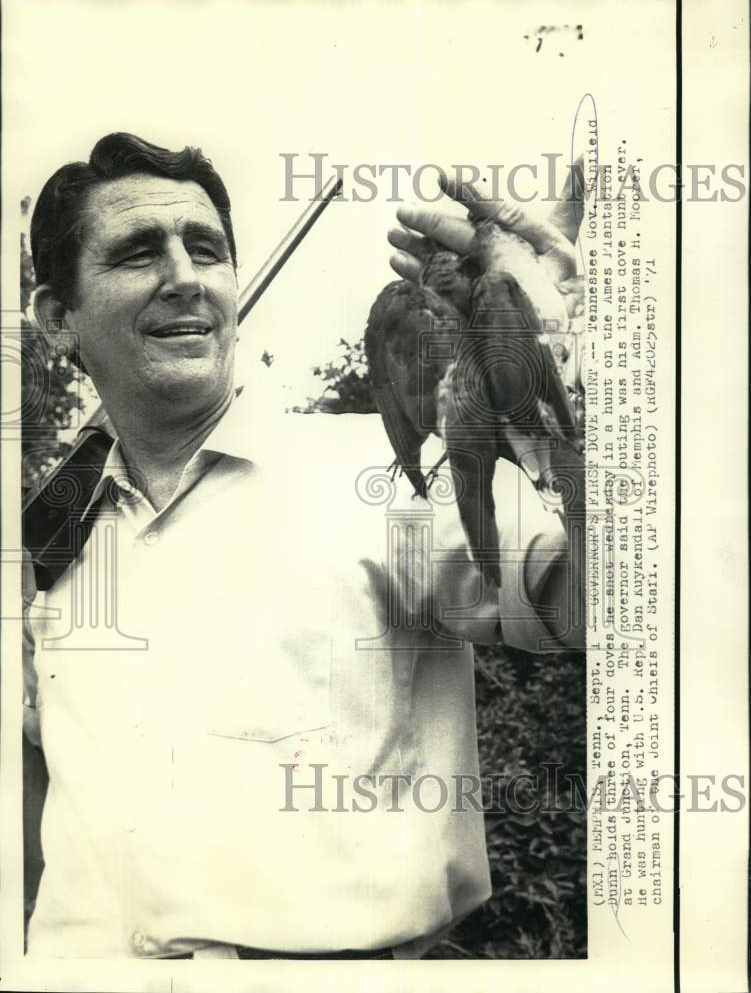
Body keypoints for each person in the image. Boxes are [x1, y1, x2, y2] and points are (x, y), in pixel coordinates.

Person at [22, 132, 584, 959]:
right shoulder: (45, 536)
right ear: (58, 319)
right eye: (139, 254)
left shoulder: (391, 472)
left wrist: (572, 365)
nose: (184, 277)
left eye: (206, 250)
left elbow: (610, 611)